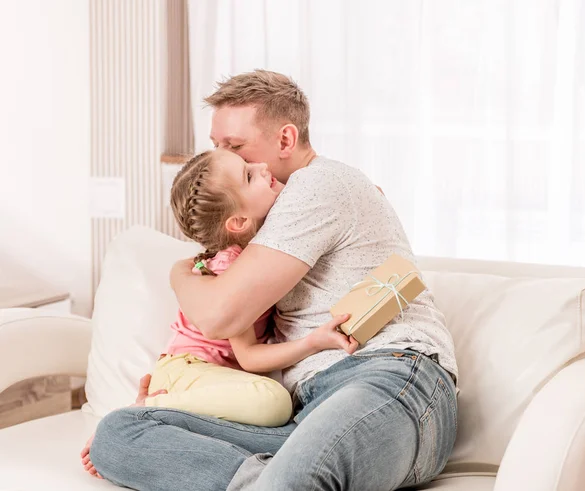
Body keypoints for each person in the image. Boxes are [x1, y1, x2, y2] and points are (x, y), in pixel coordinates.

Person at [86, 70, 459, 490]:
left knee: (295, 475)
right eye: (217, 146)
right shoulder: (262, 222)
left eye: (236, 147)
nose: (225, 160)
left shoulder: (317, 184)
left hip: (388, 379)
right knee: (118, 434)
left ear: (284, 140)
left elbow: (218, 315)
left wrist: (178, 272)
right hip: (304, 410)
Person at [146, 149, 356, 427]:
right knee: (274, 402)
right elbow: (249, 357)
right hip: (186, 372)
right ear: (238, 222)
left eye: (248, 162)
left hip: (210, 381)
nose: (262, 165)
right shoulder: (233, 269)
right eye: (248, 175)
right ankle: (147, 409)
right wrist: (313, 342)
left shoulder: (265, 250)